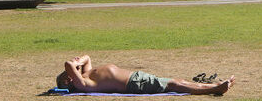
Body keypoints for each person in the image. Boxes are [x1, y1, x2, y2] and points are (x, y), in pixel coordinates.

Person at [55, 54, 234, 95]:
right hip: (134, 84)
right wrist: (74, 64)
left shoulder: (86, 74)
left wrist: (80, 63)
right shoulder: (82, 84)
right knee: (174, 85)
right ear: (68, 81)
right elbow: (69, 64)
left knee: (176, 81)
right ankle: (214, 89)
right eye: (67, 78)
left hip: (136, 77)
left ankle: (214, 87)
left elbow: (86, 57)